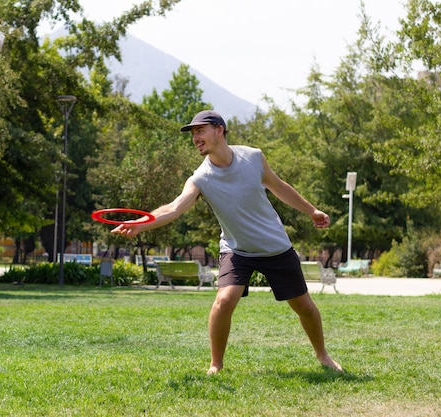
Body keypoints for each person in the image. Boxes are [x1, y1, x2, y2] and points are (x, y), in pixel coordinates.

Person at [112, 110, 342, 374]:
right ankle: (216, 366)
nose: (195, 138)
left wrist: (311, 210)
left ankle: (323, 355)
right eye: (193, 134)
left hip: (274, 246)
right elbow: (174, 208)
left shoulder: (253, 157)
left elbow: (279, 186)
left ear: (219, 130)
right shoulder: (200, 178)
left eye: (200, 131)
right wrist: (141, 224)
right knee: (224, 300)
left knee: (303, 305)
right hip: (237, 249)